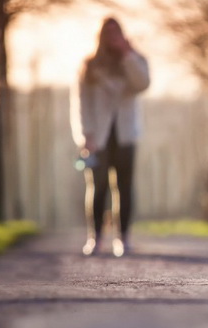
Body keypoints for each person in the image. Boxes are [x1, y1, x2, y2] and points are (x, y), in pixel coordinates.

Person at [71, 17, 150, 257]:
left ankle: (123, 237)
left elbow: (143, 84)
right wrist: (86, 135)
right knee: (98, 187)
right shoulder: (90, 65)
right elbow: (81, 103)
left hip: (126, 134)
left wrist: (127, 54)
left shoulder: (135, 60)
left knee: (124, 187)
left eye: (118, 34)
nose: (114, 38)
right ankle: (95, 237)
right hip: (98, 137)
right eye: (109, 34)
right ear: (102, 36)